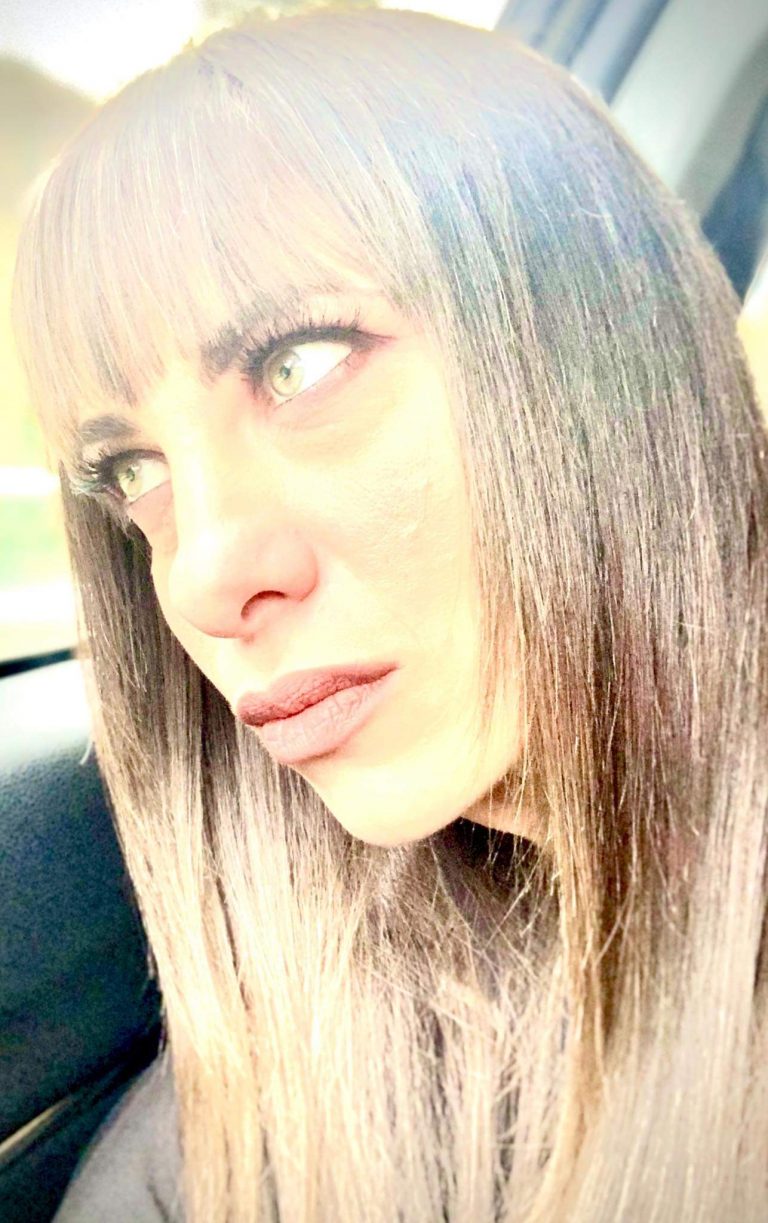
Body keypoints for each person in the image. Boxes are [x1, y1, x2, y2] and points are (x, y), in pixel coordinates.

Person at [11, 6, 768, 1220]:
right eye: (131, 470)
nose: (200, 575)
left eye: (301, 362)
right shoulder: (264, 1108)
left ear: (604, 342)